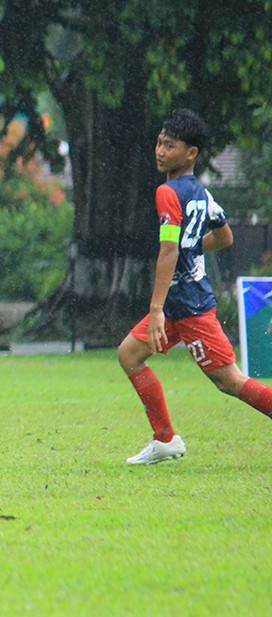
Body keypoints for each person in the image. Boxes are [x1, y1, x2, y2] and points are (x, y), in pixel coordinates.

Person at [117, 108, 272, 464]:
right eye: (158, 143)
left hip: (188, 307)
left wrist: (156, 309)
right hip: (179, 304)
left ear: (191, 154)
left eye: (169, 145)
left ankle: (165, 438)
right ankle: (165, 439)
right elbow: (224, 236)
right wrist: (190, 250)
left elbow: (169, 250)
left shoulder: (168, 192)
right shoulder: (202, 194)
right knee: (129, 354)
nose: (159, 150)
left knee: (230, 381)